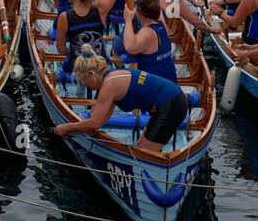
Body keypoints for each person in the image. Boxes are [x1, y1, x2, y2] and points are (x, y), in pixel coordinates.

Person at [55, 51, 189, 151]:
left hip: (171, 104)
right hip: (171, 101)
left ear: (91, 74)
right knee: (140, 148)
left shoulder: (109, 85)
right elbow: (101, 121)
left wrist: (66, 127)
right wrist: (83, 128)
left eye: (82, 80)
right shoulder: (112, 76)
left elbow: (94, 122)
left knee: (143, 155)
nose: (83, 84)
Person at [55, 0, 117, 76]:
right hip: (100, 65)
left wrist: (73, 53)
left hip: (77, 66)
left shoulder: (64, 17)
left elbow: (61, 49)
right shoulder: (101, 10)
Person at [121, 0, 177, 82]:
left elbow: (130, 47)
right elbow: (149, 3)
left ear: (139, 13)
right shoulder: (161, 24)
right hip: (170, 79)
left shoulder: (147, 32)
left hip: (153, 83)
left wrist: (128, 20)